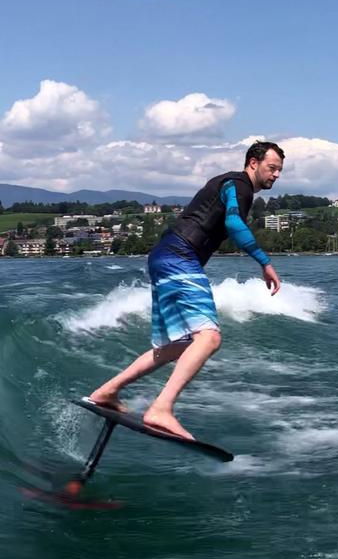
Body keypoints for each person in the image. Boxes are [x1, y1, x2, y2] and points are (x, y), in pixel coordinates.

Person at [89, 141, 284, 439]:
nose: (276, 175)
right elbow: (233, 223)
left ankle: (108, 390)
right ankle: (161, 409)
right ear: (253, 163)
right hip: (179, 255)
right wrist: (264, 262)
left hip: (164, 256)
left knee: (181, 344)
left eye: (280, 170)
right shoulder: (240, 185)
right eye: (272, 168)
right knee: (209, 337)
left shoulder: (227, 182)